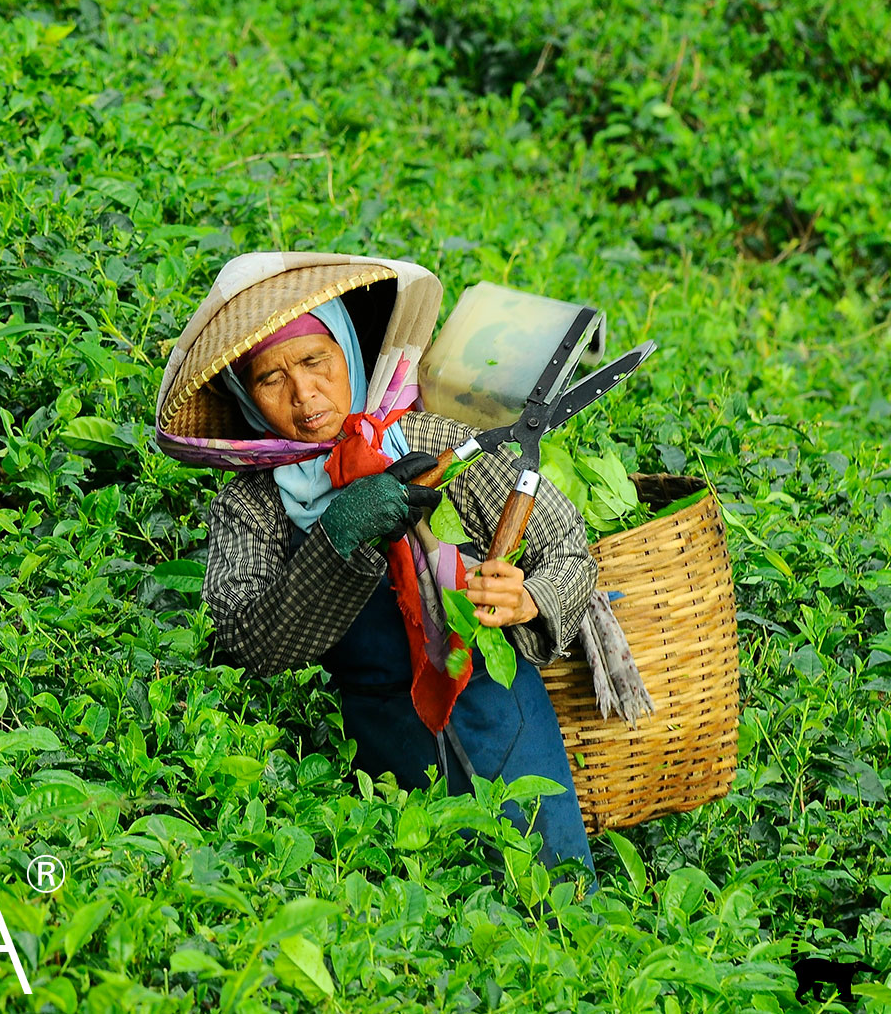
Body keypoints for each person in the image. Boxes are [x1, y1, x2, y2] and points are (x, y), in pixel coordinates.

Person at [180, 269, 600, 894]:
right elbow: (248, 643)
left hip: (508, 726)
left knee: (559, 907)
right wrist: (338, 534)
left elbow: (569, 549)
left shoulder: (434, 441)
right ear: (246, 396)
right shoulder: (252, 504)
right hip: (385, 751)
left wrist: (529, 598)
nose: (304, 394)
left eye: (317, 361)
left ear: (348, 351)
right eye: (272, 378)